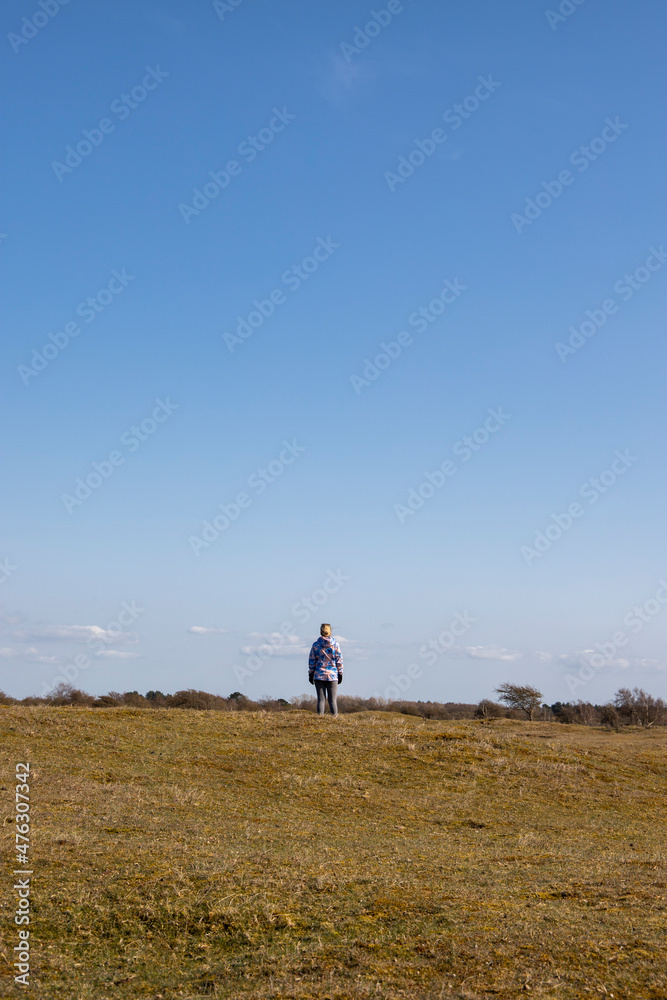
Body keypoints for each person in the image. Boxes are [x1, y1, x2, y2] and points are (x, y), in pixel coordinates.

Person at [308, 623, 343, 717]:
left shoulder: (315, 645)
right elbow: (339, 660)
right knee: (332, 701)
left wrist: (310, 673)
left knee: (321, 699)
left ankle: (320, 718)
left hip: (319, 674)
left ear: (320, 632)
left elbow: (312, 660)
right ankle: (334, 718)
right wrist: (340, 673)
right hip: (332, 675)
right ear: (330, 632)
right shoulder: (335, 645)